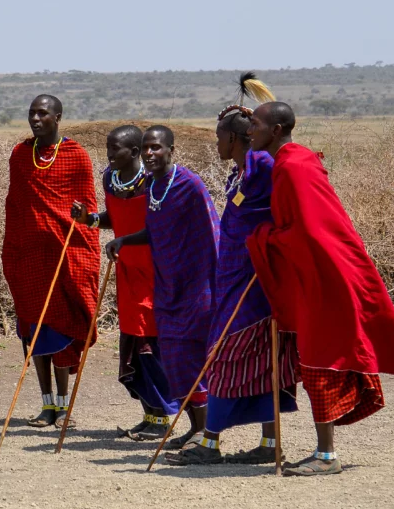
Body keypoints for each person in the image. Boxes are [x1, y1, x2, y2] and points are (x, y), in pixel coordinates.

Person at [246, 101, 394, 476]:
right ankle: (323, 451)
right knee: (315, 357)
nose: (251, 130)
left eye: (256, 124)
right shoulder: (291, 162)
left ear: (276, 130)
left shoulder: (293, 168)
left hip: (326, 276)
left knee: (318, 359)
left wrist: (263, 239)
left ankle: (326, 456)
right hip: (319, 273)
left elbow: (309, 232)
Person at [163, 100, 300, 466]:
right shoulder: (240, 173)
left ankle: (212, 443)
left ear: (238, 138)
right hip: (232, 277)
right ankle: (268, 444)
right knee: (254, 359)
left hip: (256, 280)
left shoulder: (265, 167)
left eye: (220, 138)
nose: (217, 145)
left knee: (228, 355)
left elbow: (286, 212)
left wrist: (268, 249)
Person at [105, 125, 220, 450]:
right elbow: (155, 232)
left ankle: (207, 435)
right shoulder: (156, 186)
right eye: (147, 149)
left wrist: (210, 281)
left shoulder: (189, 184)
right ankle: (195, 428)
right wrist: (124, 239)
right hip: (166, 284)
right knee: (175, 358)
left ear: (171, 149)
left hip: (193, 285)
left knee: (191, 356)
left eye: (156, 147)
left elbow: (210, 233)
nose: (150, 154)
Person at [2, 94, 99, 429]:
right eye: (32, 113)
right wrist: (12, 252)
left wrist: (81, 252)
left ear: (58, 117)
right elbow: (14, 207)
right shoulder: (19, 154)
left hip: (64, 257)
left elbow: (87, 211)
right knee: (34, 329)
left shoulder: (76, 156)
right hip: (28, 259)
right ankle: (46, 404)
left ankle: (63, 404)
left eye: (43, 113)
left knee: (61, 325)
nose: (36, 118)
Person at [71, 125, 170, 439]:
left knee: (151, 342)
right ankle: (151, 416)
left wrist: (127, 240)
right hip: (126, 269)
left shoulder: (154, 182)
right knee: (132, 338)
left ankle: (165, 416)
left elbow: (160, 226)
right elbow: (114, 218)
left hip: (156, 271)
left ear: (136, 152)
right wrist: (89, 220)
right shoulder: (109, 179)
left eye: (117, 149)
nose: (110, 155)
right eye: (108, 148)